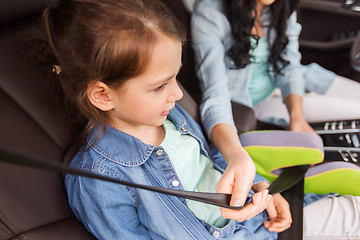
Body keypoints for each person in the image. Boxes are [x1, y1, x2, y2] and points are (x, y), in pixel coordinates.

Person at [37, 0, 294, 239]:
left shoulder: (171, 116)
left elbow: (209, 163)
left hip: (260, 224)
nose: (178, 94)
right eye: (160, 86)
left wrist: (259, 188)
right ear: (103, 95)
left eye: (176, 77)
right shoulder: (100, 179)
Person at [191, 0, 360, 239]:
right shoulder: (210, 11)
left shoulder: (281, 6)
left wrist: (297, 118)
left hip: (291, 87)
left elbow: (290, 68)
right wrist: (236, 152)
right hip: (250, 105)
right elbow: (215, 96)